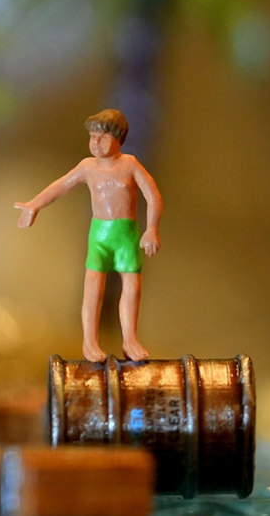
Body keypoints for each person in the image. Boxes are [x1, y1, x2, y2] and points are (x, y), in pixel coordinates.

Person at [13, 109, 163, 363]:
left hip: (126, 234)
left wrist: (152, 229)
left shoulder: (130, 164)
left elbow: (153, 196)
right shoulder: (87, 167)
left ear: (118, 138)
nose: (96, 143)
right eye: (93, 137)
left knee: (131, 284)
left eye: (102, 137)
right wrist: (34, 204)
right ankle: (90, 341)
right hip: (99, 235)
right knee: (93, 285)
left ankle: (130, 339)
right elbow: (61, 185)